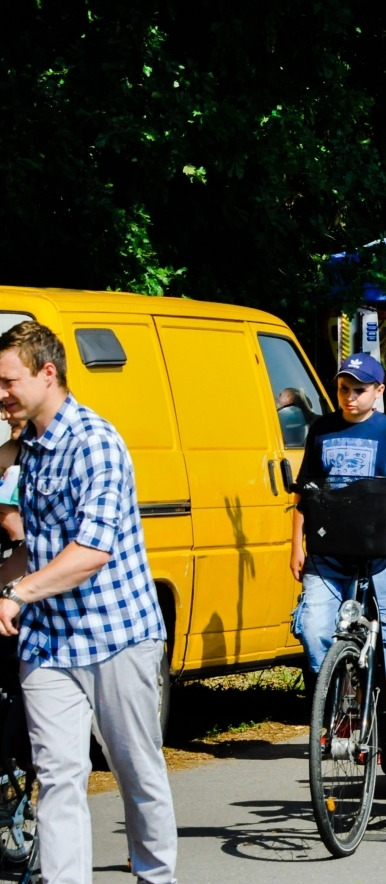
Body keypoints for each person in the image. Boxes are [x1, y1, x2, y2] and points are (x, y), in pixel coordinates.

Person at [0, 322, 178, 884]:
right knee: (59, 778)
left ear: (47, 373)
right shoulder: (27, 448)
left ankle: (156, 877)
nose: (0, 394)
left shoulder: (94, 442)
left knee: (136, 771)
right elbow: (33, 546)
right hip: (49, 644)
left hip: (115, 635)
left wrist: (17, 593)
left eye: (8, 382)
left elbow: (91, 551)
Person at [290, 353, 386, 679]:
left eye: (359, 390)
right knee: (313, 628)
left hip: (373, 555)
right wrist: (296, 545)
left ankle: (371, 698)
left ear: (379, 390)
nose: (350, 397)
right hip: (326, 551)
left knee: (378, 637)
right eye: (343, 389)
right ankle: (332, 692)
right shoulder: (321, 429)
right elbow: (305, 491)